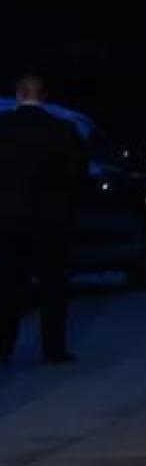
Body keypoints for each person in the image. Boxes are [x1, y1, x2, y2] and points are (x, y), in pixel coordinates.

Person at [0, 73, 87, 365]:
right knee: (53, 284)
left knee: (8, 283)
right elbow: (78, 175)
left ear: (18, 95)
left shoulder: (3, 129)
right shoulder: (64, 130)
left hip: (8, 219)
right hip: (51, 221)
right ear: (45, 96)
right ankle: (53, 348)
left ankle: (3, 346)